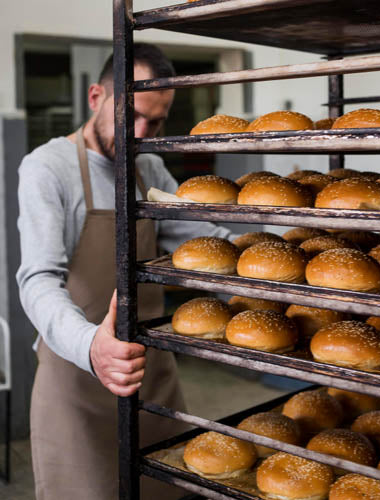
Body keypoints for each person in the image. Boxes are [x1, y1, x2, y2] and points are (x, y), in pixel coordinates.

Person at [16, 43, 233, 499]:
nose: (139, 133)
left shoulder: (148, 167)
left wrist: (285, 248)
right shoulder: (47, 168)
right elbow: (38, 278)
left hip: (151, 378)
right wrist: (92, 346)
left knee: (167, 490)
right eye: (130, 115)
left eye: (155, 121)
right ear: (96, 98)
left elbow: (199, 240)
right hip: (76, 379)